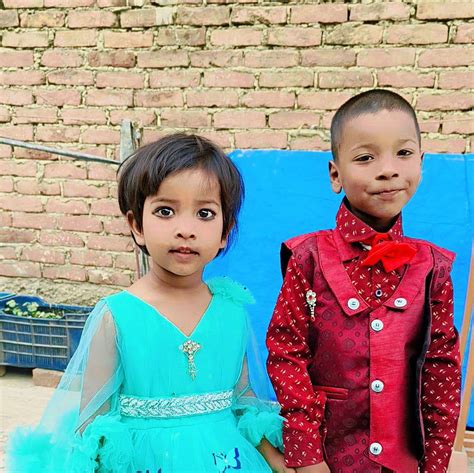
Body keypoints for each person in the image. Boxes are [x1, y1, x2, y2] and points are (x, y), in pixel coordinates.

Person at [8, 133, 289, 473]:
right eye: (165, 211)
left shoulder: (231, 311)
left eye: (204, 213)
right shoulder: (117, 316)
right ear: (136, 226)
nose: (185, 229)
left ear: (225, 232)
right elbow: (94, 425)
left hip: (230, 461)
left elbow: (243, 400)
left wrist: (277, 462)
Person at [266, 90, 461, 473]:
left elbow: (441, 370)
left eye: (403, 153)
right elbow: (286, 354)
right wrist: (307, 456)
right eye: (365, 158)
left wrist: (436, 463)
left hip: (403, 462)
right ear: (335, 174)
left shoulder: (433, 268)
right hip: (328, 457)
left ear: (421, 164)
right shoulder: (308, 258)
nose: (387, 170)